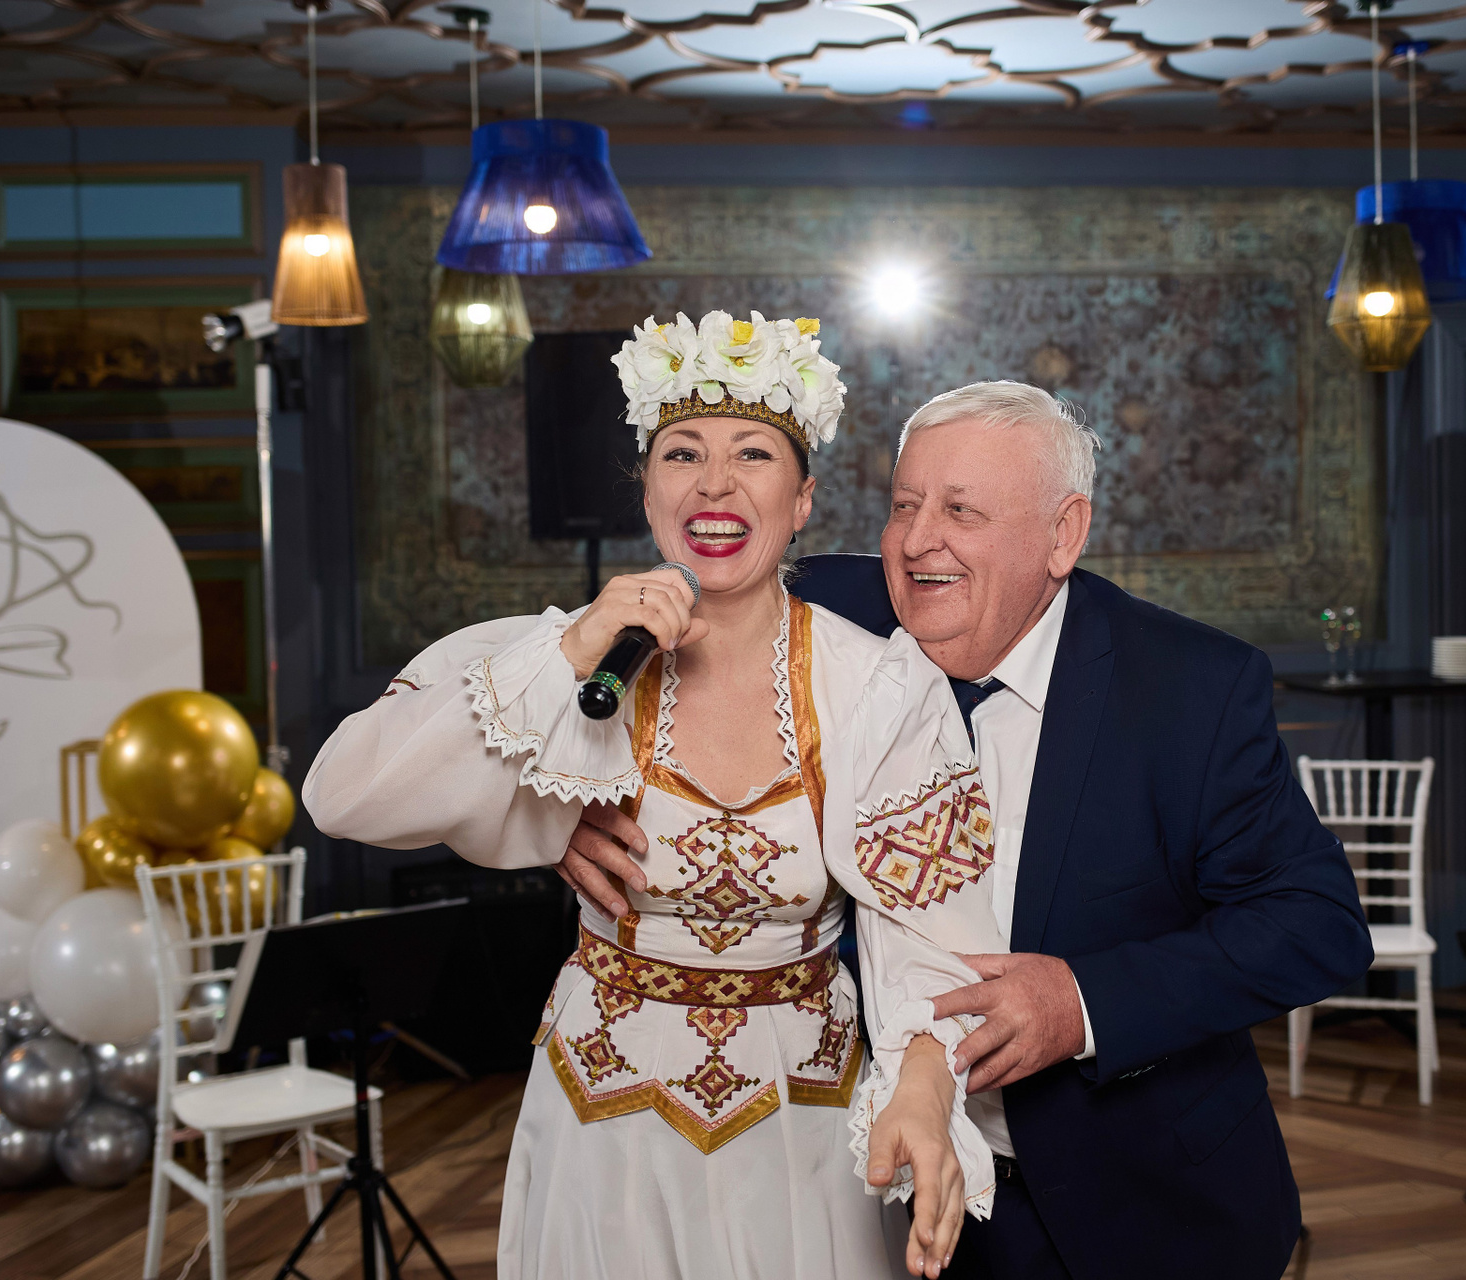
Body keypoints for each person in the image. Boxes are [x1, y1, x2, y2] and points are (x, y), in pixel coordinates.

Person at [556, 381, 1375, 1279]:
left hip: (1147, 1204)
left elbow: (1317, 924)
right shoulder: (820, 612)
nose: (917, 542)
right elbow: (609, 657)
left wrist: (1081, 1004)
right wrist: (563, 803)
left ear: (1063, 534)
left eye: (961, 511)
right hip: (887, 1195)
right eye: (904, 505)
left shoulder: (1189, 688)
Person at [302, 314, 1012, 1280]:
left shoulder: (877, 687)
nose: (714, 483)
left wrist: (923, 1085)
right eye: (682, 454)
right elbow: (342, 794)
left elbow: (938, 935)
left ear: (802, 500)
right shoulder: (573, 662)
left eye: (753, 453)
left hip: (802, 1126)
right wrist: (568, 663)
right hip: (604, 1120)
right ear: (648, 492)